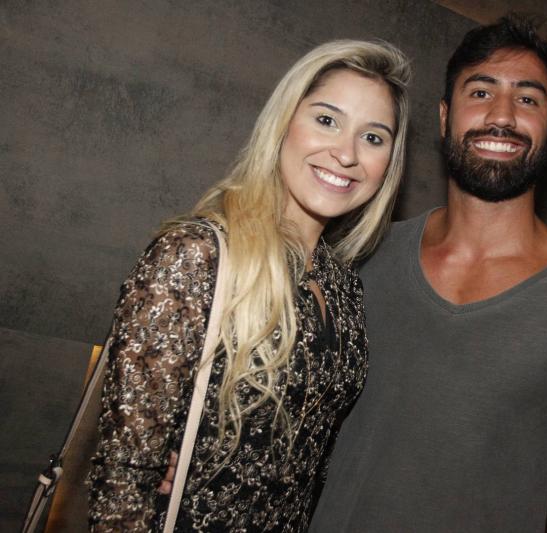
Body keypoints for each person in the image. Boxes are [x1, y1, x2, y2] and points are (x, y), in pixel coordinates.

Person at [309, 15, 547, 533]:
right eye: (481, 92)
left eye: (528, 99)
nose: (503, 116)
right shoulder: (363, 253)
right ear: (445, 116)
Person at [87, 39, 410, 532]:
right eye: (327, 120)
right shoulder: (197, 256)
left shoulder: (343, 286)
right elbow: (123, 482)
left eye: (373, 137)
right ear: (284, 122)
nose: (346, 153)